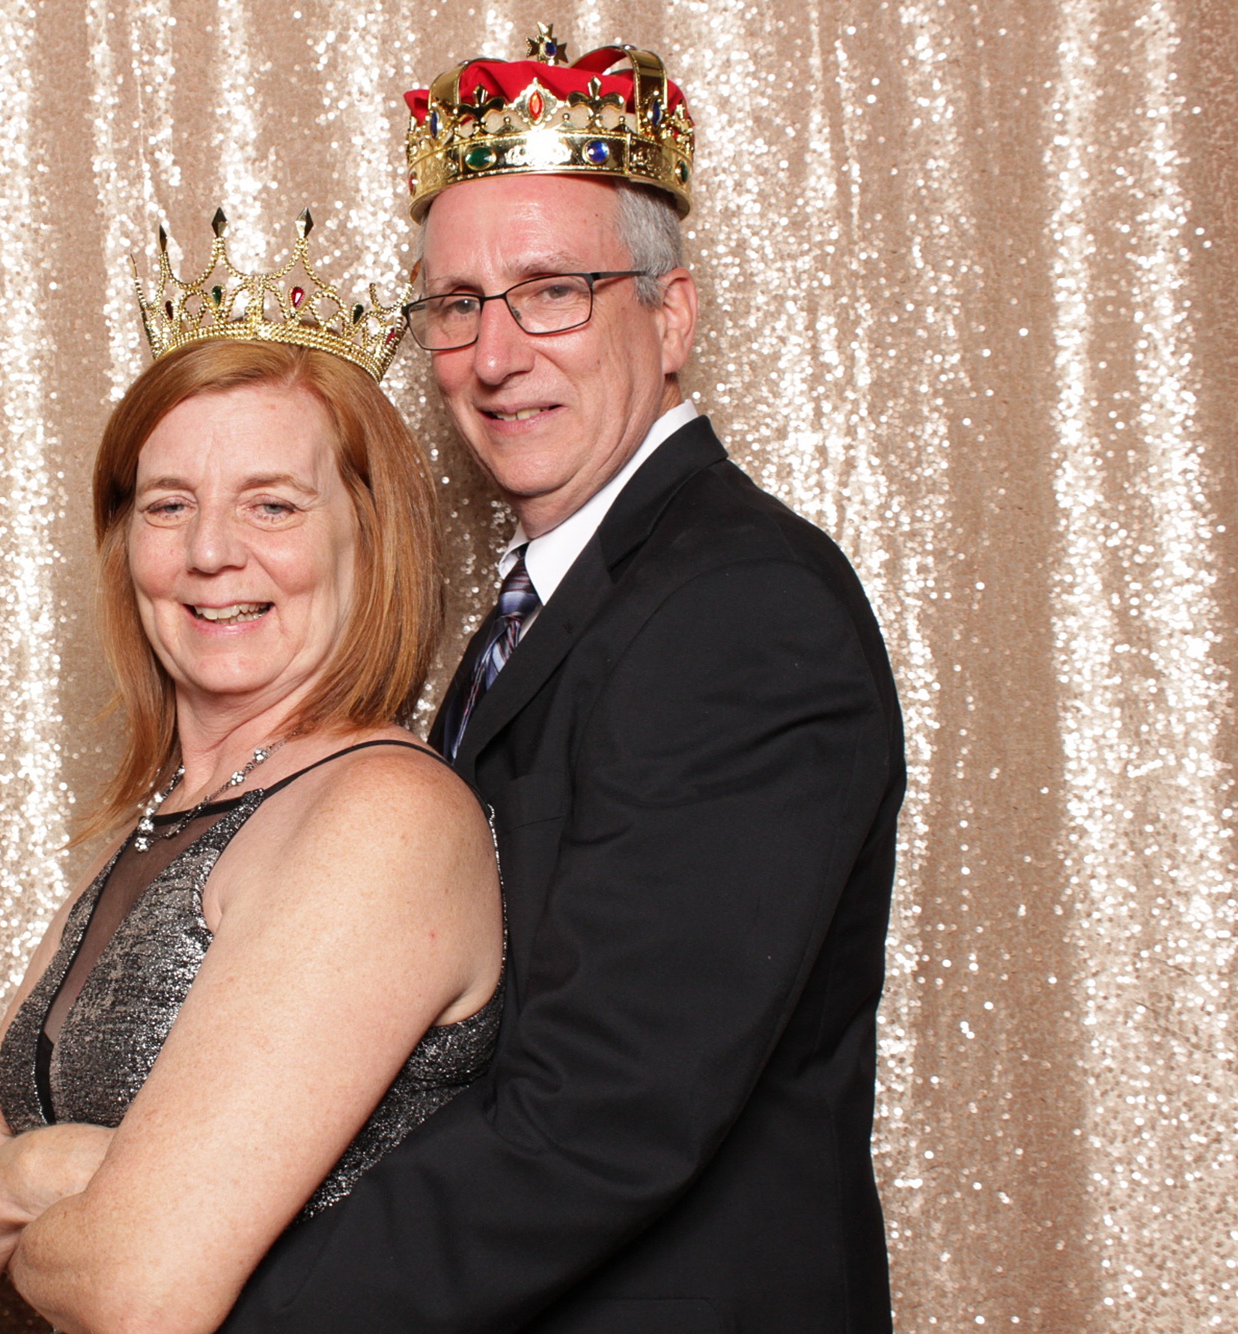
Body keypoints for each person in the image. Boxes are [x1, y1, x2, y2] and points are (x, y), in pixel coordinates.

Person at [220, 32, 906, 1334]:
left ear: (672, 315)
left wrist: (227, 1296)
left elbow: (605, 1114)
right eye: (457, 303)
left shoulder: (740, 611)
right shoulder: (552, 607)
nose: (493, 353)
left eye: (553, 290)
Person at [0, 215, 504, 1333]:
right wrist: (46, 1172)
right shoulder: (162, 817)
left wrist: (9, 1193)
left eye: (271, 502)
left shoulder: (380, 814)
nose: (209, 550)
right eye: (167, 503)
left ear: (368, 536)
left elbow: (136, 1287)